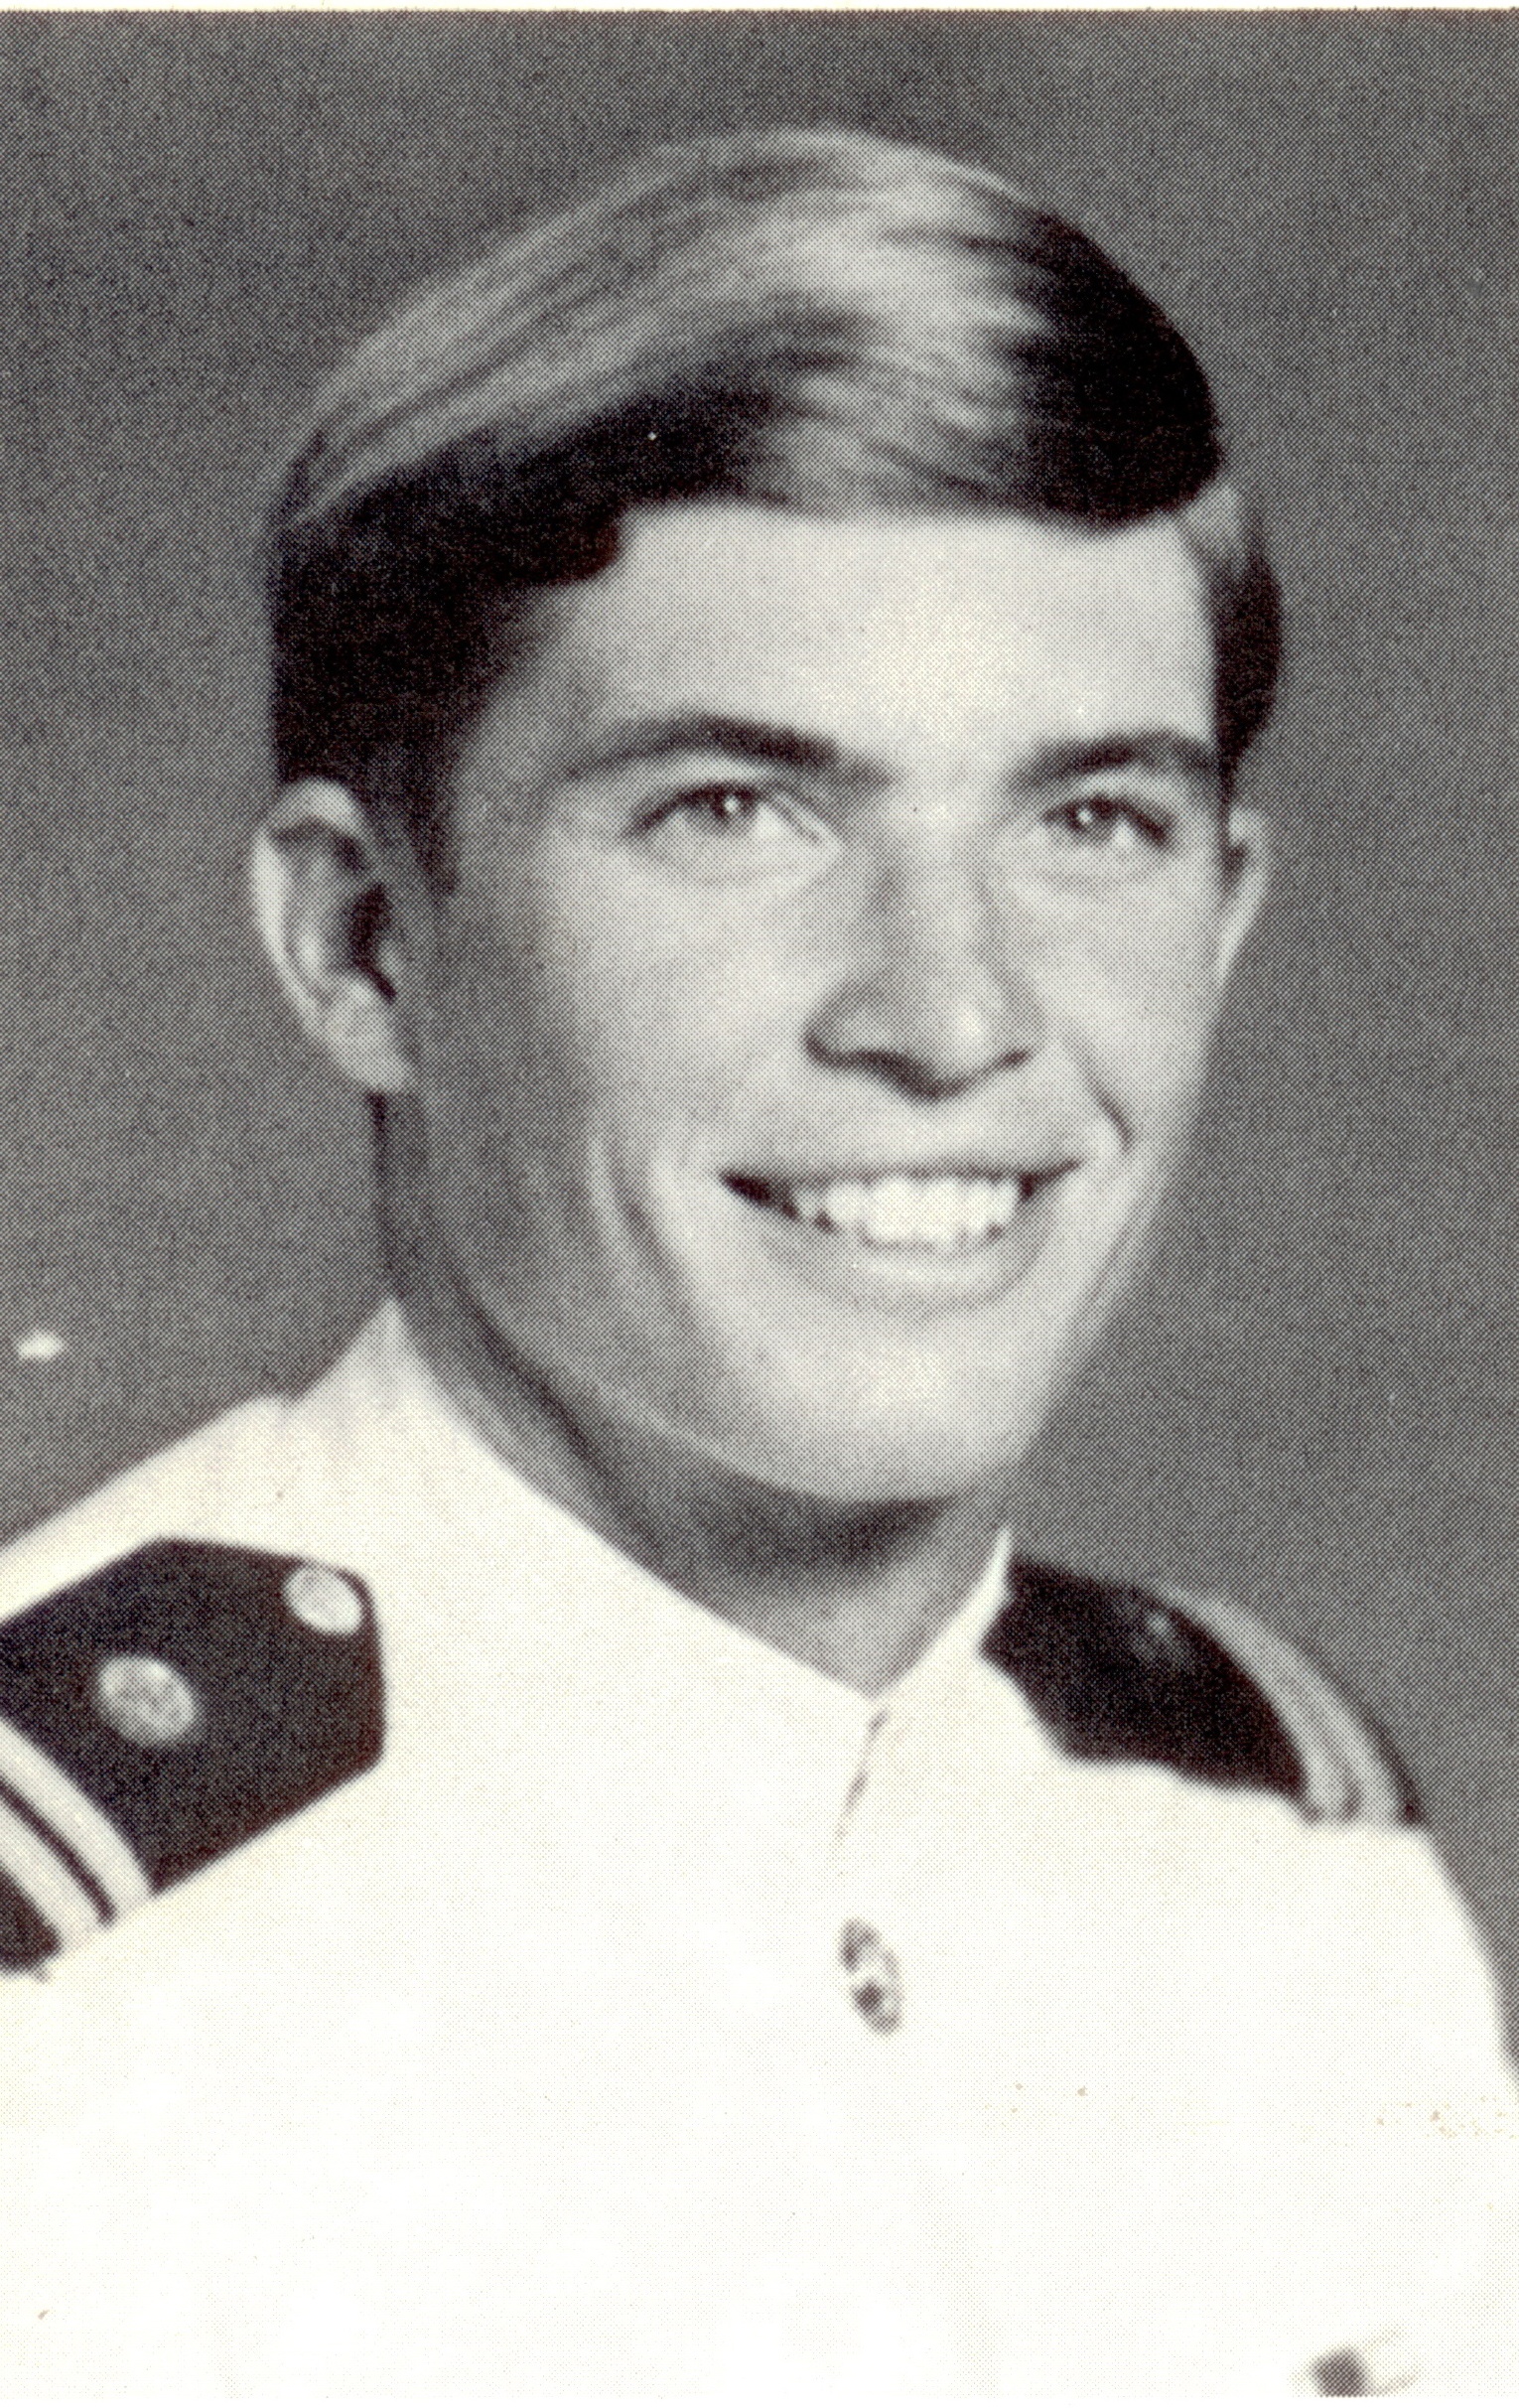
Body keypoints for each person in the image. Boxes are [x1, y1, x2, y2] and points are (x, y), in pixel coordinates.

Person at [0, 126, 1510, 2393]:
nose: (951, 1015)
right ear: (363, 945)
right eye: (735, 811)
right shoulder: (74, 1982)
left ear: (1223, 918)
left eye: (1091, 818)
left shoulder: (1275, 1875)